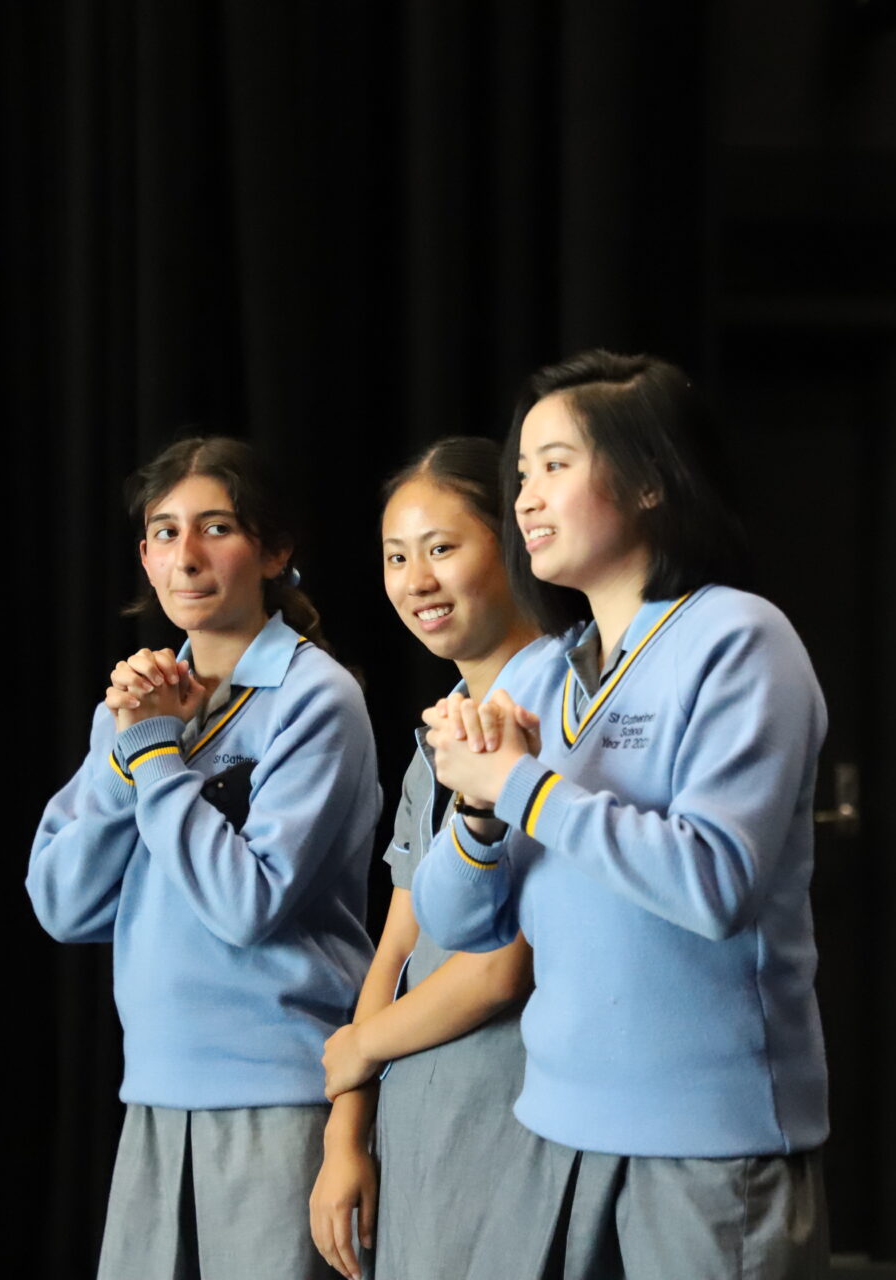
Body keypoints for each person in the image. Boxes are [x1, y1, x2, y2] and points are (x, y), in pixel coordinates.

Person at [411, 352, 832, 1278]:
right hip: (552, 1131)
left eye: (556, 465)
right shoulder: (537, 674)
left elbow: (713, 883)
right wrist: (478, 811)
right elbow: (454, 922)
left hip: (707, 1147)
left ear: (650, 481)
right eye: (521, 472)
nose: (526, 497)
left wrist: (520, 786)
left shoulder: (739, 637)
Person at [26, 436, 378, 1280]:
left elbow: (247, 905)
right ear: (145, 556)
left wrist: (154, 755)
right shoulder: (137, 707)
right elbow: (64, 905)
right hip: (155, 1092)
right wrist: (134, 752)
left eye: (216, 527)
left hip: (281, 1100)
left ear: (274, 551)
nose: (186, 556)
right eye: (164, 531)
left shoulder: (317, 696)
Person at [308, 438, 564, 1280]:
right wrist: (346, 1131)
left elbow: (503, 966)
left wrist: (363, 1045)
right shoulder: (440, 734)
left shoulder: (561, 710)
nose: (416, 580)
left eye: (442, 548)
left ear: (513, 542)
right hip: (417, 1117)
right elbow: (398, 941)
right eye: (396, 557)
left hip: (513, 1113)